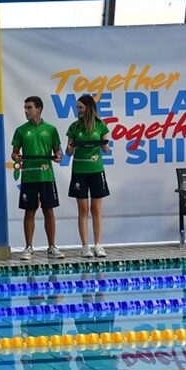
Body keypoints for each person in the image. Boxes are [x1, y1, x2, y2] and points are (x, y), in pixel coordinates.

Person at [11, 96, 63, 261]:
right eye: (25, 108)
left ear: (38, 109)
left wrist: (58, 156)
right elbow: (14, 153)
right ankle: (28, 248)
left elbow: (58, 151)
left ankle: (52, 247)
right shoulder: (20, 130)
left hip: (46, 176)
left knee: (48, 210)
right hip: (28, 176)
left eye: (29, 107)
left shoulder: (51, 129)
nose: (26, 111)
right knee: (30, 211)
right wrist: (16, 157)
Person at [65, 94, 111, 258]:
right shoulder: (74, 127)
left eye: (81, 107)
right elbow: (68, 152)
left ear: (89, 108)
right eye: (77, 107)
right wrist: (71, 148)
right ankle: (85, 246)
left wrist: (105, 146)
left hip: (96, 169)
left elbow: (106, 148)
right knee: (83, 209)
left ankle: (98, 245)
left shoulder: (100, 125)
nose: (78, 110)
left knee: (96, 209)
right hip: (80, 171)